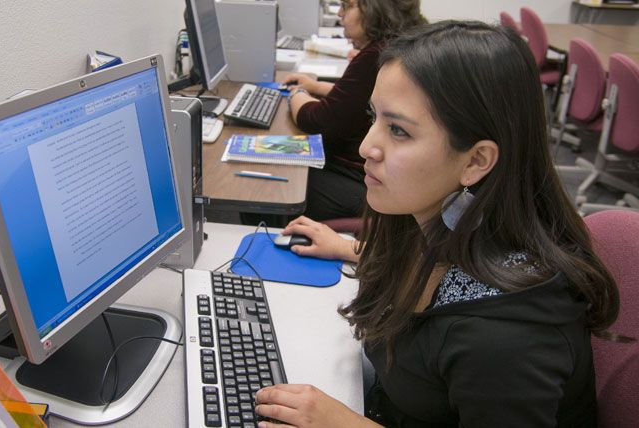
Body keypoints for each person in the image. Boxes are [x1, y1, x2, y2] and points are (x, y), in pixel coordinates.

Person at [254, 21, 626, 427]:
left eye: (398, 130)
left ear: (476, 161)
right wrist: (351, 248)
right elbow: (437, 275)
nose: (366, 146)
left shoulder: (504, 338)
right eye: (372, 116)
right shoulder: (437, 217)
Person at [284, 0, 426, 222]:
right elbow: (360, 100)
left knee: (280, 183)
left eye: (347, 6)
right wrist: (318, 87)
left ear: (374, 9)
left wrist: (296, 94)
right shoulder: (402, 45)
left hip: (362, 178)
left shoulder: (378, 55)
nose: (340, 13)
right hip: (380, 174)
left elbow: (319, 121)